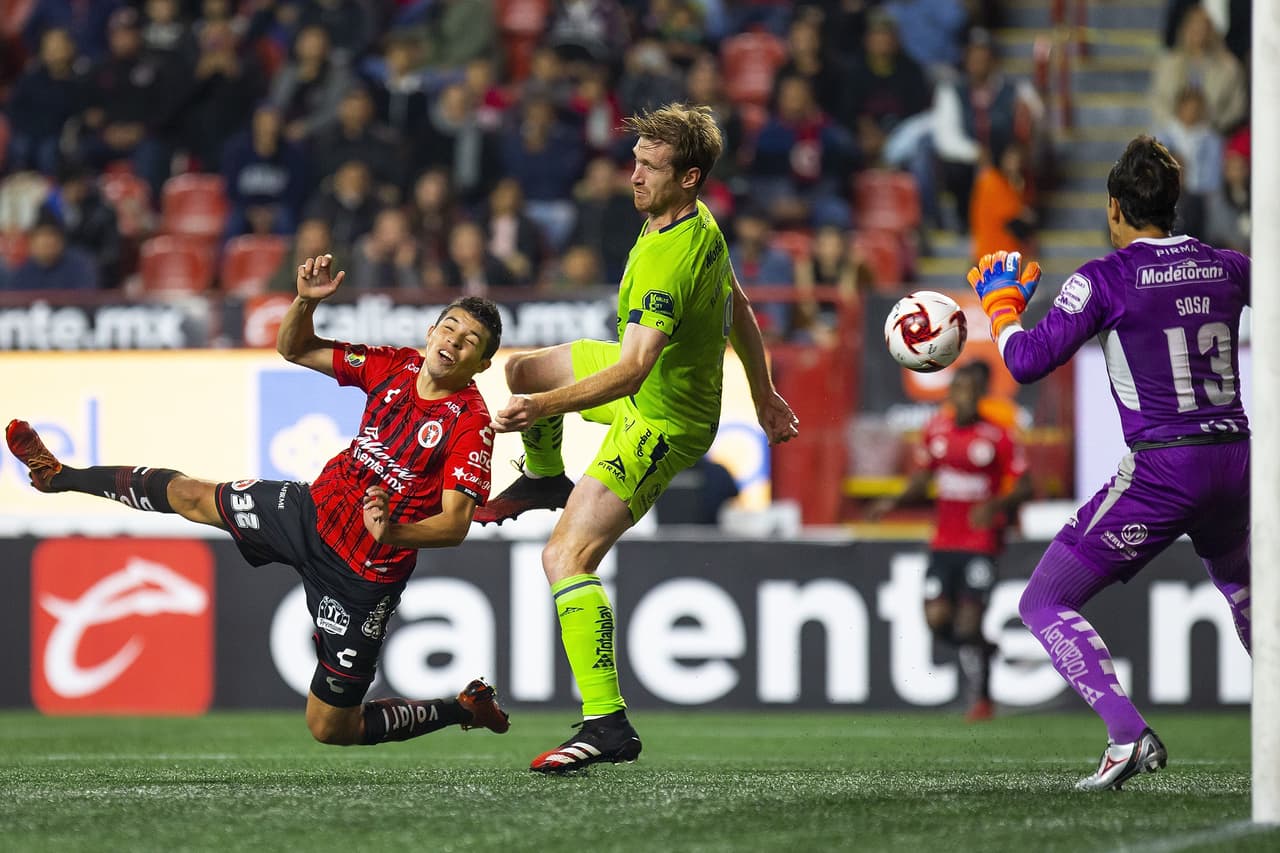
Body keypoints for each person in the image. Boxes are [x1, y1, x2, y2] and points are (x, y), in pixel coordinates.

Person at [6, 256, 511, 748]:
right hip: (308, 514)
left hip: (365, 574)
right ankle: (59, 475)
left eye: (470, 341)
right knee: (191, 495)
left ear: (482, 363)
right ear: (431, 332)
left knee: (330, 728)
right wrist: (303, 303)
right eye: (450, 327)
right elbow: (295, 349)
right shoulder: (391, 366)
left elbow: (454, 525)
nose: (453, 342)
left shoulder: (469, 423)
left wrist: (392, 532)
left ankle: (461, 709)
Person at [473, 103, 799, 772]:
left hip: (660, 421)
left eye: (651, 167)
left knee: (565, 557)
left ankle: (607, 724)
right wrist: (764, 393)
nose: (635, 176)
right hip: (647, 386)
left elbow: (630, 372)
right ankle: (543, 476)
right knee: (520, 366)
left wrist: (537, 409)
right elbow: (737, 303)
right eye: (636, 161)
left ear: (691, 176)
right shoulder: (696, 224)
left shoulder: (670, 259)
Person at [967, 135, 1250, 791]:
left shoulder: (1108, 276)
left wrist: (1003, 308)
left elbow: (1028, 361)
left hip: (1165, 467)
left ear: (1115, 208)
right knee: (1248, 596)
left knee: (1044, 599)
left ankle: (1127, 733)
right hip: (1238, 458)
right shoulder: (1230, 267)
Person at [867, 361, 1032, 721]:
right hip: (944, 542)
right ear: (951, 394)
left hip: (981, 543)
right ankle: (985, 649)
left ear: (980, 396)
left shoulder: (998, 436)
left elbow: (1025, 486)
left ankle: (983, 699)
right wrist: (891, 503)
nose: (965, 397)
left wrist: (996, 505)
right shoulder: (936, 432)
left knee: (969, 624)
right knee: (937, 620)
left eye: (972, 391)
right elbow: (922, 479)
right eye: (959, 390)